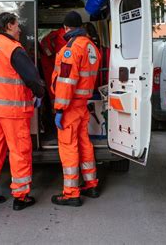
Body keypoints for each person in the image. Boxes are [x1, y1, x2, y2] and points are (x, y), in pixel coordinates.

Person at [0, 12, 45, 211]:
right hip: (11, 111)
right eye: (16, 25)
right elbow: (32, 78)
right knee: (19, 151)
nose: (20, 29)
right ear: (7, 26)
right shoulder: (12, 48)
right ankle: (21, 196)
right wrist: (41, 92)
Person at [51, 11, 101, 206]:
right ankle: (91, 184)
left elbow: (65, 82)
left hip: (70, 106)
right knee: (84, 143)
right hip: (83, 104)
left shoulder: (70, 49)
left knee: (68, 147)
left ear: (66, 28)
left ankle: (71, 193)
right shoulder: (91, 47)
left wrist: (60, 109)